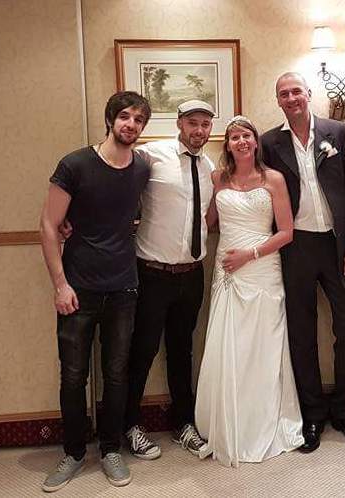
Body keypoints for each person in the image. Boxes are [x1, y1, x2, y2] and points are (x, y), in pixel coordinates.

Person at [39, 91, 151, 492]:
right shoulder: (75, 164)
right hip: (78, 289)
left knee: (116, 374)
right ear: (110, 119)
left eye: (139, 120)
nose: (131, 125)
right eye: (125, 117)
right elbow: (50, 225)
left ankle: (110, 449)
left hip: (124, 286)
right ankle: (72, 453)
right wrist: (60, 284)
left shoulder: (141, 166)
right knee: (73, 376)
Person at [261, 72, 345, 452]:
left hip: (338, 246)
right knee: (301, 333)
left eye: (296, 91)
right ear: (278, 101)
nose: (291, 98)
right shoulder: (268, 142)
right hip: (296, 247)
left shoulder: (339, 132)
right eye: (283, 93)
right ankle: (312, 415)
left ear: (309, 94)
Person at [194, 116, 303, 467]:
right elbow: (206, 223)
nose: (240, 141)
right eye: (234, 137)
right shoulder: (217, 179)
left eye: (246, 135)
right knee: (232, 346)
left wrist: (250, 254)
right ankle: (229, 421)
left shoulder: (273, 179)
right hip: (228, 274)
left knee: (263, 346)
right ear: (226, 145)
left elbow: (286, 232)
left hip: (262, 268)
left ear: (256, 142)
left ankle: (264, 421)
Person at [123, 100, 216, 460]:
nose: (199, 130)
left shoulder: (209, 167)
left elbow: (206, 216)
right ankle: (130, 424)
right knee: (142, 351)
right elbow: (114, 182)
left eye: (205, 124)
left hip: (192, 275)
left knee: (182, 351)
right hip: (151, 274)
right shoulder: (150, 155)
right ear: (179, 123)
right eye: (192, 123)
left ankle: (183, 424)